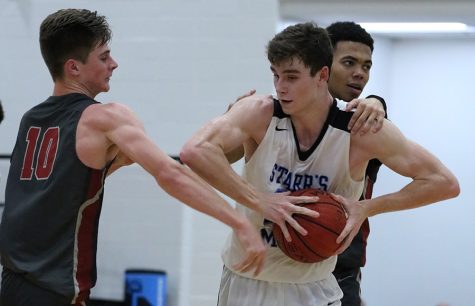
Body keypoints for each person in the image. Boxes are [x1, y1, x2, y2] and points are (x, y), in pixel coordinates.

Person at [0, 8, 315, 306]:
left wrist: (227, 122)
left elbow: (58, 189)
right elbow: (169, 173)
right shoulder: (105, 117)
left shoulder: (31, 119)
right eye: (104, 56)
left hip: (13, 280)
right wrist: (238, 222)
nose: (114, 64)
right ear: (74, 67)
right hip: (55, 287)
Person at [180, 22, 459, 306]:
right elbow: (195, 151)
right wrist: (261, 201)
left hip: (315, 288)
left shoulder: (359, 131)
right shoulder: (259, 113)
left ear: (321, 75)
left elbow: (443, 182)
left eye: (291, 77)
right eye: (276, 76)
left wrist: (367, 207)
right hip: (247, 282)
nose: (281, 87)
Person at [326, 21, 385, 306]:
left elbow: (442, 183)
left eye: (367, 66)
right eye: (349, 62)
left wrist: (378, 100)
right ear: (323, 64)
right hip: (284, 262)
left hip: (341, 270)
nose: (359, 73)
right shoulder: (283, 118)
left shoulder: (369, 125)